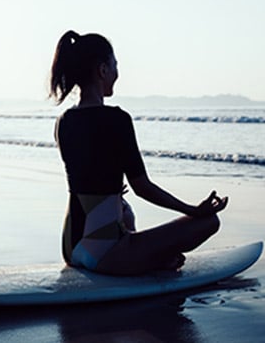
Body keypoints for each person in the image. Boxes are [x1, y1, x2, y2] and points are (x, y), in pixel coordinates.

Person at [50, 30, 228, 275]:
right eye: (114, 65)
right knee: (209, 222)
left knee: (125, 211)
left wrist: (112, 192)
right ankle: (151, 261)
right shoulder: (117, 119)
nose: (117, 72)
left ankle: (146, 259)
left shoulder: (63, 121)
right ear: (102, 70)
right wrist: (193, 210)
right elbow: (142, 187)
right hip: (104, 250)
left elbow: (85, 174)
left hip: (71, 246)